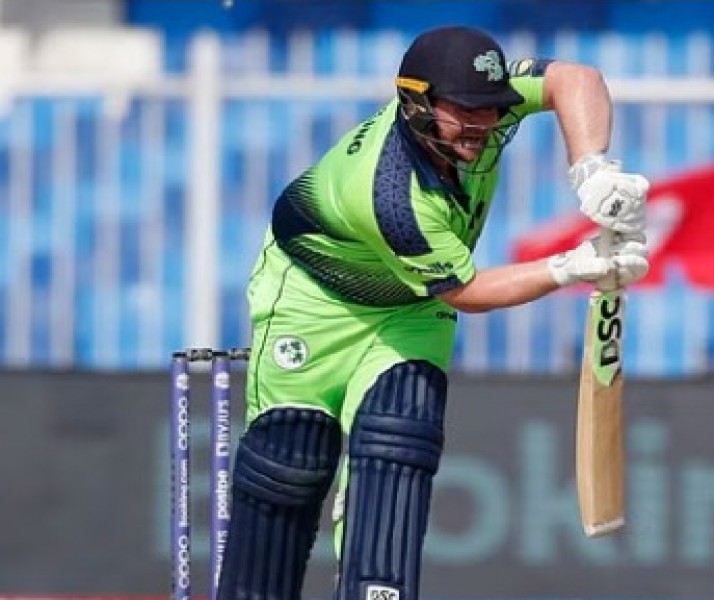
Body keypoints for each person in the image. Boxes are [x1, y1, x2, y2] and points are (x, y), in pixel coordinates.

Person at [217, 25, 650, 600]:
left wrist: (592, 169)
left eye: (492, 109)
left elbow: (576, 79)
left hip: (410, 309)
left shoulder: (480, 113)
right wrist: (572, 268)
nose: (483, 125)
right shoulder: (390, 193)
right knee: (289, 465)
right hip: (313, 302)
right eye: (465, 111)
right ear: (415, 100)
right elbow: (464, 292)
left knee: (399, 445)